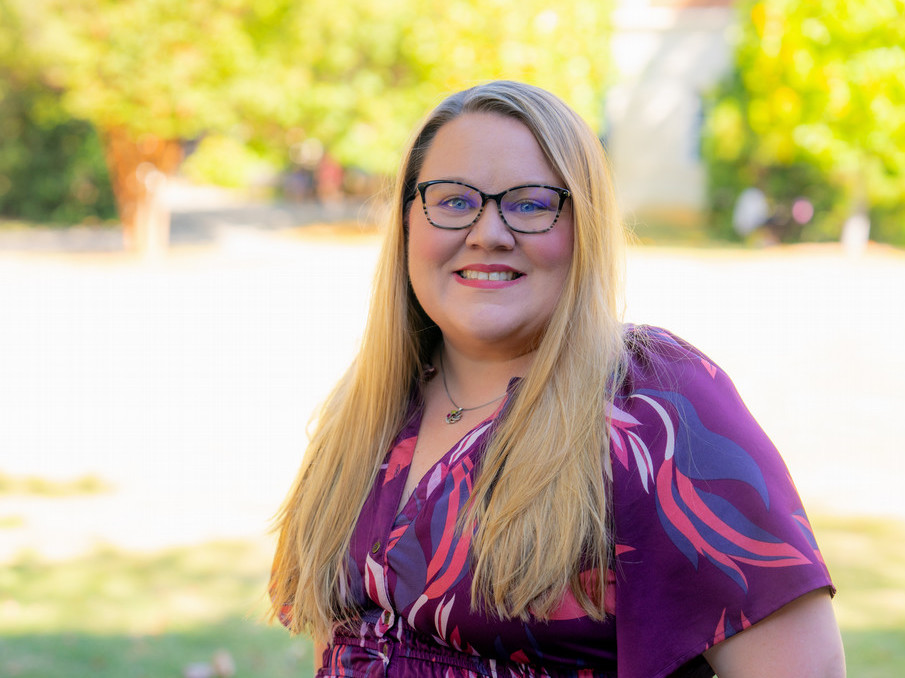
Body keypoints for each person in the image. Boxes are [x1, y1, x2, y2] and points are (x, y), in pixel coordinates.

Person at [269, 81, 845, 678]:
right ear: (410, 221)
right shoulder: (368, 409)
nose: (488, 232)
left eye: (530, 203)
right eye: (453, 199)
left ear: (584, 225)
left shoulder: (656, 406)